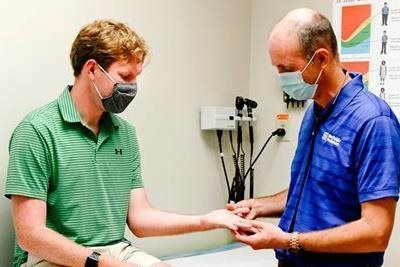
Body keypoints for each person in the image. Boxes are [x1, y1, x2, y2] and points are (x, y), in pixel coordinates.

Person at [5, 20, 250, 267]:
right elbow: (31, 237)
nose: (132, 87)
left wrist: (207, 220)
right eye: (125, 76)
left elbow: (140, 219)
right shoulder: (37, 131)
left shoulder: (124, 133)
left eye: (136, 78)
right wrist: (107, 264)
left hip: (115, 250)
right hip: (50, 257)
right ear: (92, 69)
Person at [227, 8, 400, 267]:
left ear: (321, 58)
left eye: (287, 68)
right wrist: (261, 205)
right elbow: (313, 188)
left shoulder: (374, 122)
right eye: (277, 68)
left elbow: (375, 233)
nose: (282, 78)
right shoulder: (314, 112)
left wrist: (289, 240)